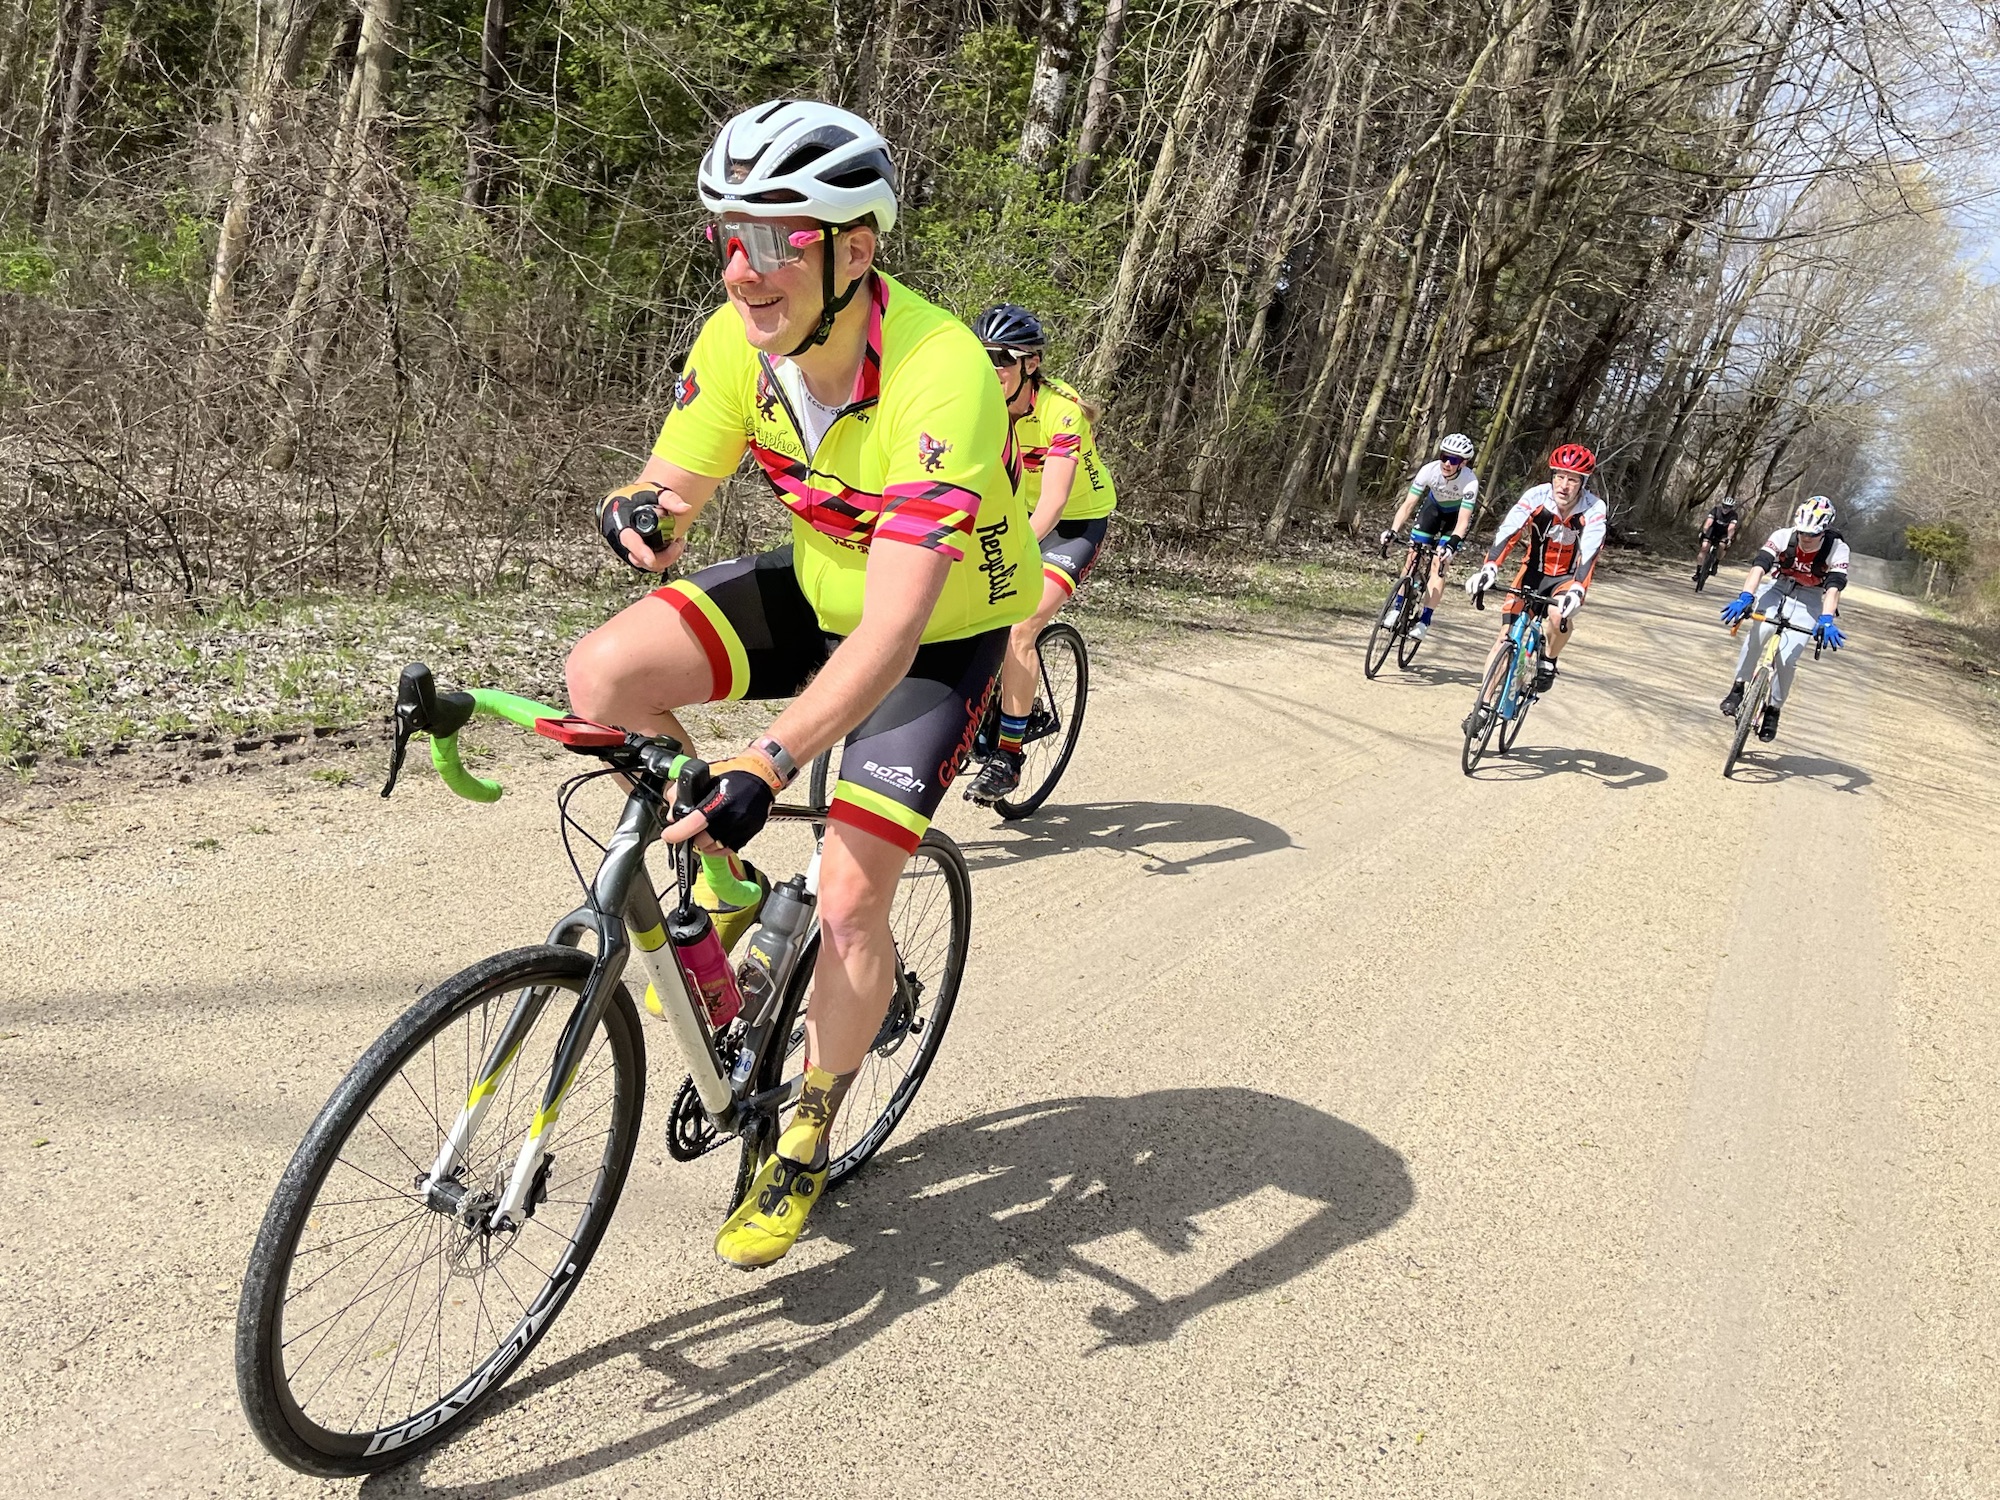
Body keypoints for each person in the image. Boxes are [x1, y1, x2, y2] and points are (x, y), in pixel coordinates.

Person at [564, 100, 1040, 1269]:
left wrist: (765, 763)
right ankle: (727, 890)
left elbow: (895, 626)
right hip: (822, 590)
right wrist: (643, 516)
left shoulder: (942, 372)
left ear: (855, 250)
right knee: (602, 674)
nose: (743, 268)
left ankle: (807, 1132)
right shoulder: (739, 341)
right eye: (727, 236)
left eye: (777, 241)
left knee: (847, 901)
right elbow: (671, 485)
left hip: (936, 633)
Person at [964, 303, 1117, 802]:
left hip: (1074, 523)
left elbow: (1053, 502)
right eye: (983, 356)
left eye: (1002, 358)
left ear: (1030, 363)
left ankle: (1008, 757)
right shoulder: (978, 402)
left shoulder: (1061, 411)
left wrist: (1017, 551)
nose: (992, 368)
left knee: (1020, 625)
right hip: (1019, 512)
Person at [1461, 444, 1607, 733]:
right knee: (1505, 638)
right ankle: (1483, 705)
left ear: (1583, 483)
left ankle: (1549, 660)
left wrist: (1578, 589)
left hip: (1566, 578)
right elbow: (1509, 531)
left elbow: (1590, 551)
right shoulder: (1536, 496)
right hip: (1532, 572)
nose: (1564, 485)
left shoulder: (1593, 508)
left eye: (1572, 479)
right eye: (1559, 476)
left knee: (1557, 615)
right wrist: (1490, 567)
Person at [1717, 495, 1847, 741]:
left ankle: (1773, 710)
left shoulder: (1837, 549)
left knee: (1787, 659)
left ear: (1823, 531)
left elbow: (1834, 587)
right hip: (1778, 587)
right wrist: (1746, 596)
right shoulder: (1783, 536)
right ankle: (1738, 688)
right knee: (1758, 634)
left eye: (1812, 535)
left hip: (1810, 597)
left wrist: (1826, 619)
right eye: (1802, 533)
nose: (1805, 538)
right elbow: (1759, 566)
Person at [1377, 433, 1480, 642]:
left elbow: (1463, 521)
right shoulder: (1429, 470)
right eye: (1444, 457)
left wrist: (1451, 545)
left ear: (1463, 463)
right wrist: (1393, 530)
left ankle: (1424, 621)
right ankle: (1397, 608)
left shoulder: (1470, 481)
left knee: (1438, 565)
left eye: (1454, 460)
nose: (1447, 463)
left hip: (1454, 520)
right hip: (1432, 511)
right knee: (1412, 557)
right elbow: (1408, 505)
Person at [1693, 496, 1741, 585]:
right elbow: (1709, 522)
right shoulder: (1715, 510)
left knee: (1722, 545)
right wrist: (1704, 531)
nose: (1726, 509)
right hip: (1712, 530)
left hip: (1724, 533)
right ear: (1722, 505)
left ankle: (1716, 563)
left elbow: (1731, 528)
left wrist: (1729, 538)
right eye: (1725, 506)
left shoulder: (1733, 515)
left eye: (1729, 507)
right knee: (1704, 548)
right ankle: (1698, 571)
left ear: (1732, 508)